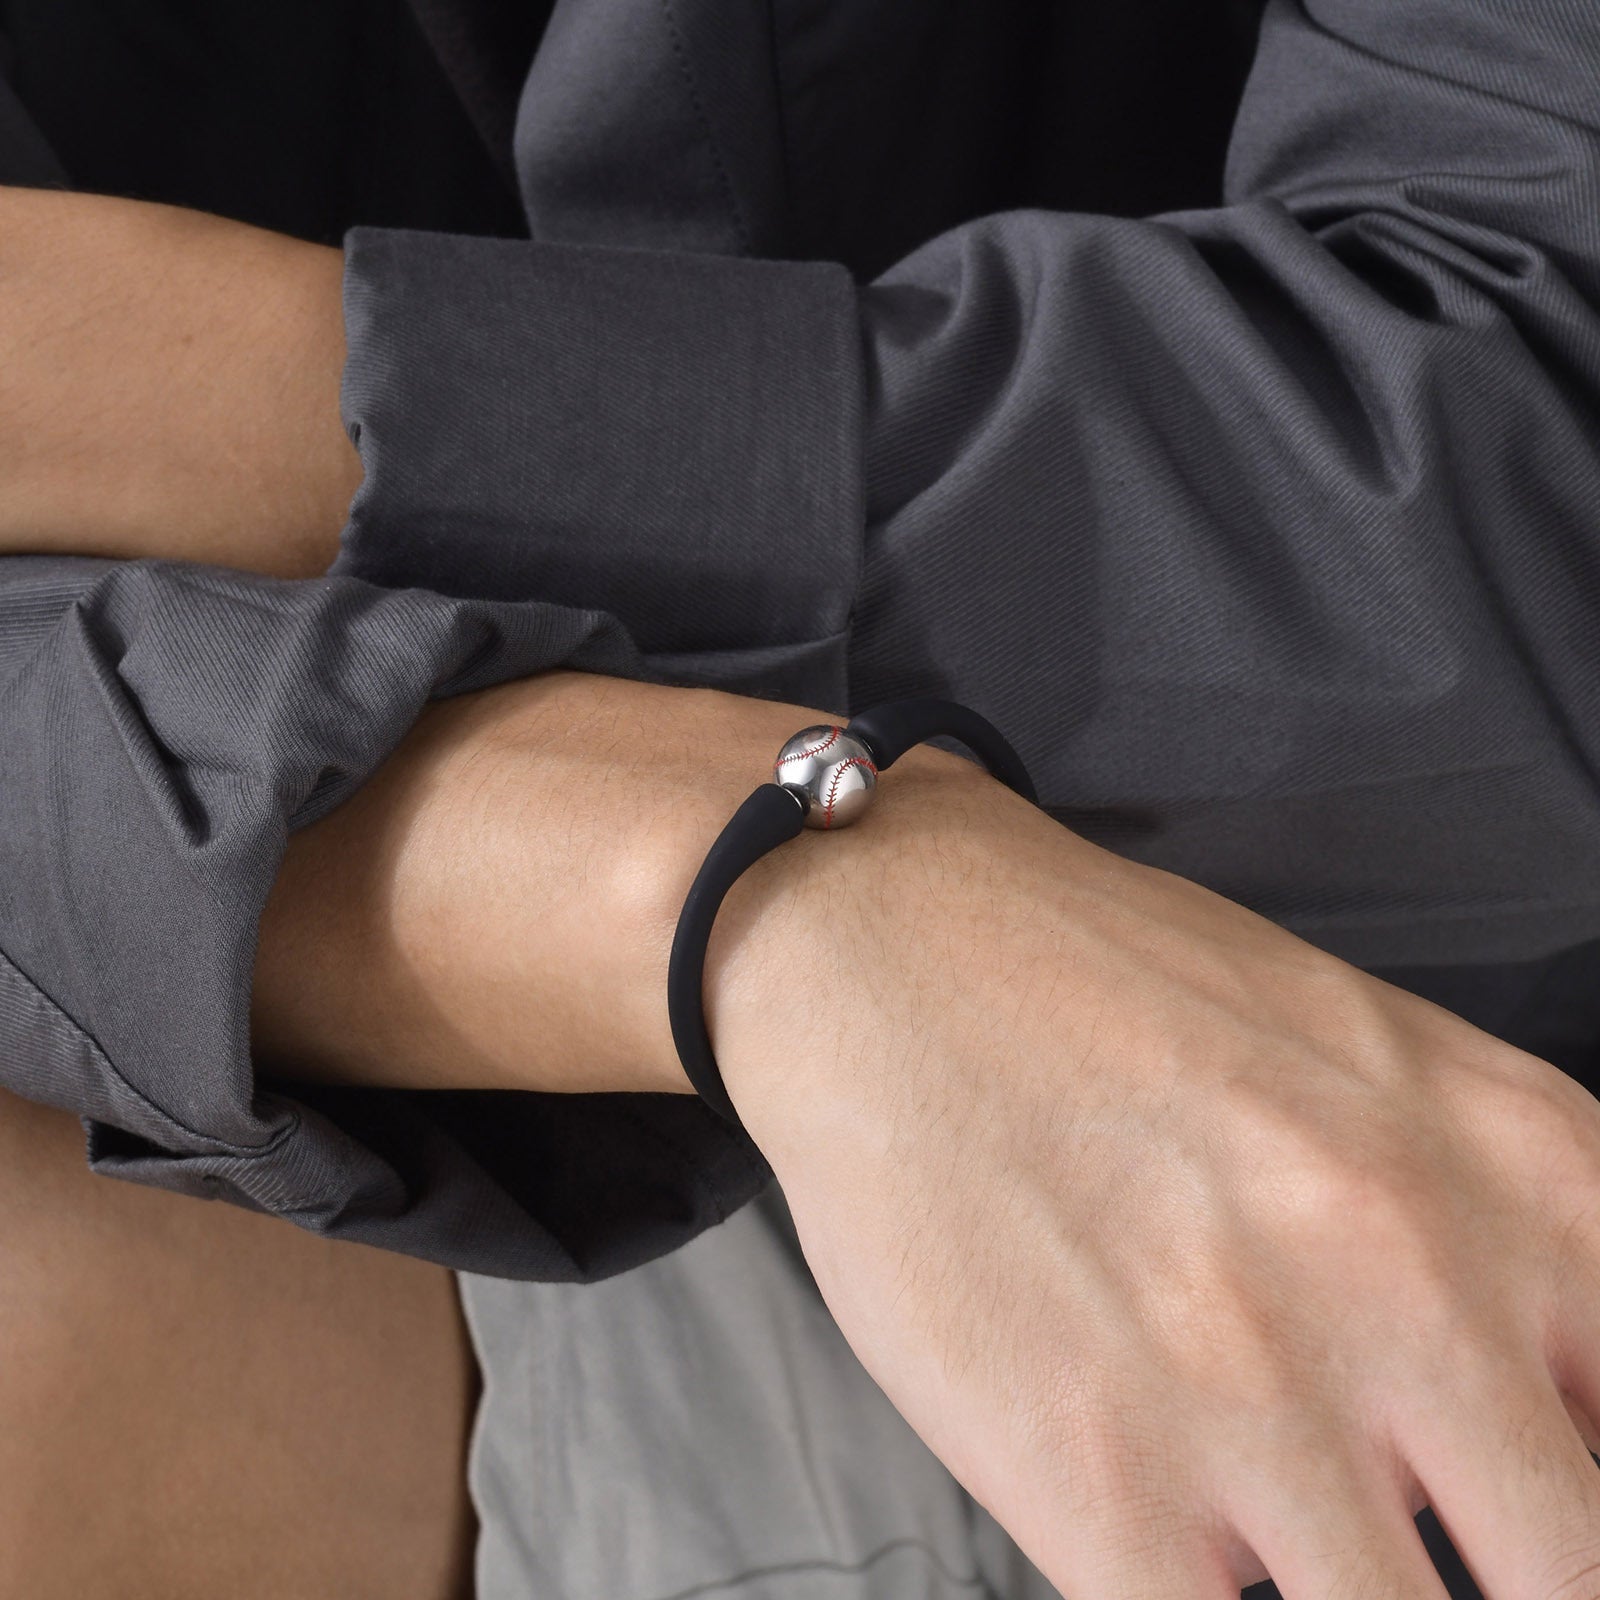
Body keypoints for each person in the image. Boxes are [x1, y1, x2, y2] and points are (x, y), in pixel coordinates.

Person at [1, 0, 1598, 1595]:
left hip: (1432, 1130)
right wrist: (750, 903)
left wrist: (269, 393)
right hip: (509, 1146)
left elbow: (1531, 462)